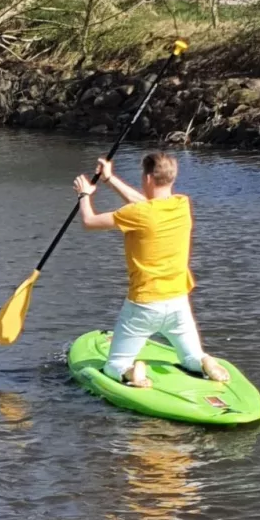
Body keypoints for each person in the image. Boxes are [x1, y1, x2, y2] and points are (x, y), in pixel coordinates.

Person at [73, 152, 230, 388]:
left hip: (143, 306)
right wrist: (109, 179)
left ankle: (130, 373)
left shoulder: (136, 214)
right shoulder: (182, 204)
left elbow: (89, 221)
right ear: (171, 177)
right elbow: (148, 206)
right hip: (178, 302)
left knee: (114, 365)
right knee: (191, 358)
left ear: (147, 178)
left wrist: (84, 195)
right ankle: (205, 361)